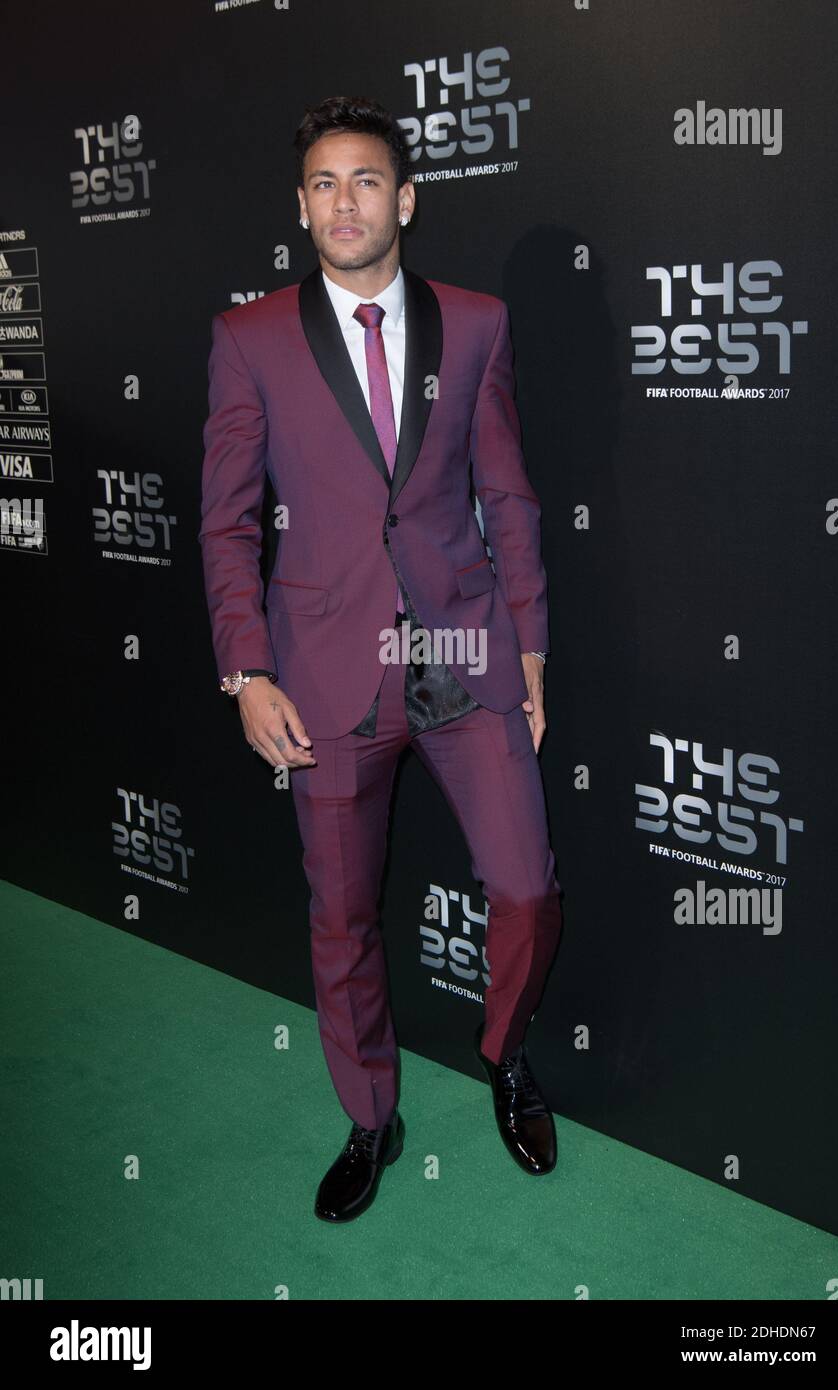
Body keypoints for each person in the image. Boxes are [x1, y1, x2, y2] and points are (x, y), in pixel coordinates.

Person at [199, 95, 563, 1223]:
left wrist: (531, 640)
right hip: (322, 667)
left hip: (465, 649)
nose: (342, 202)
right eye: (321, 184)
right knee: (341, 918)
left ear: (402, 198)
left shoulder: (478, 323)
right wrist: (245, 669)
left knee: (524, 885)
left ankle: (502, 1052)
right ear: (300, 206)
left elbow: (503, 490)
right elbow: (223, 522)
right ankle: (369, 1114)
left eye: (364, 180)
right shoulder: (249, 337)